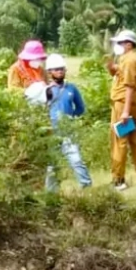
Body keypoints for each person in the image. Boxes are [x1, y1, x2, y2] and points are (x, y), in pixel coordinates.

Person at [105, 30, 136, 191]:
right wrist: (113, 68)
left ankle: (118, 179)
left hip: (124, 104)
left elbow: (129, 86)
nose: (117, 46)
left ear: (129, 44)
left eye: (120, 43)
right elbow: (122, 74)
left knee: (120, 141)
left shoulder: (130, 61)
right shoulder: (131, 59)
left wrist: (125, 112)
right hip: (133, 105)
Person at [43, 54, 92, 192]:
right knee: (52, 164)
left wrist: (71, 117)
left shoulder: (71, 88)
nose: (60, 71)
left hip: (68, 130)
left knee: (76, 160)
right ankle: (51, 192)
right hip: (51, 132)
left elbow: (81, 108)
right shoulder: (46, 90)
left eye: (62, 69)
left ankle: (87, 187)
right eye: (56, 69)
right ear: (50, 72)